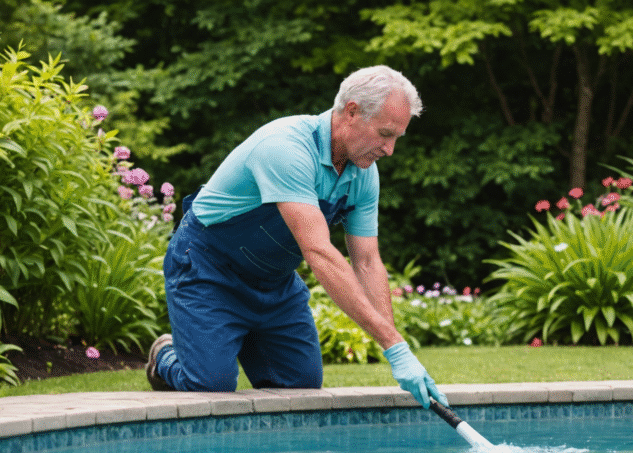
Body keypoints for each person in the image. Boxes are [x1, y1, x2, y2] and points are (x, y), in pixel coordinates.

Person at [146, 65, 447, 409]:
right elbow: (318, 251)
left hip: (273, 281)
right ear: (352, 112)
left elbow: (367, 261)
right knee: (210, 384)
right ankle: (165, 356)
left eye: (396, 138)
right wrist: (394, 345)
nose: (389, 149)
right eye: (385, 134)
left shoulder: (363, 175)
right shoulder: (285, 148)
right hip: (208, 269)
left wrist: (397, 350)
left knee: (301, 385)